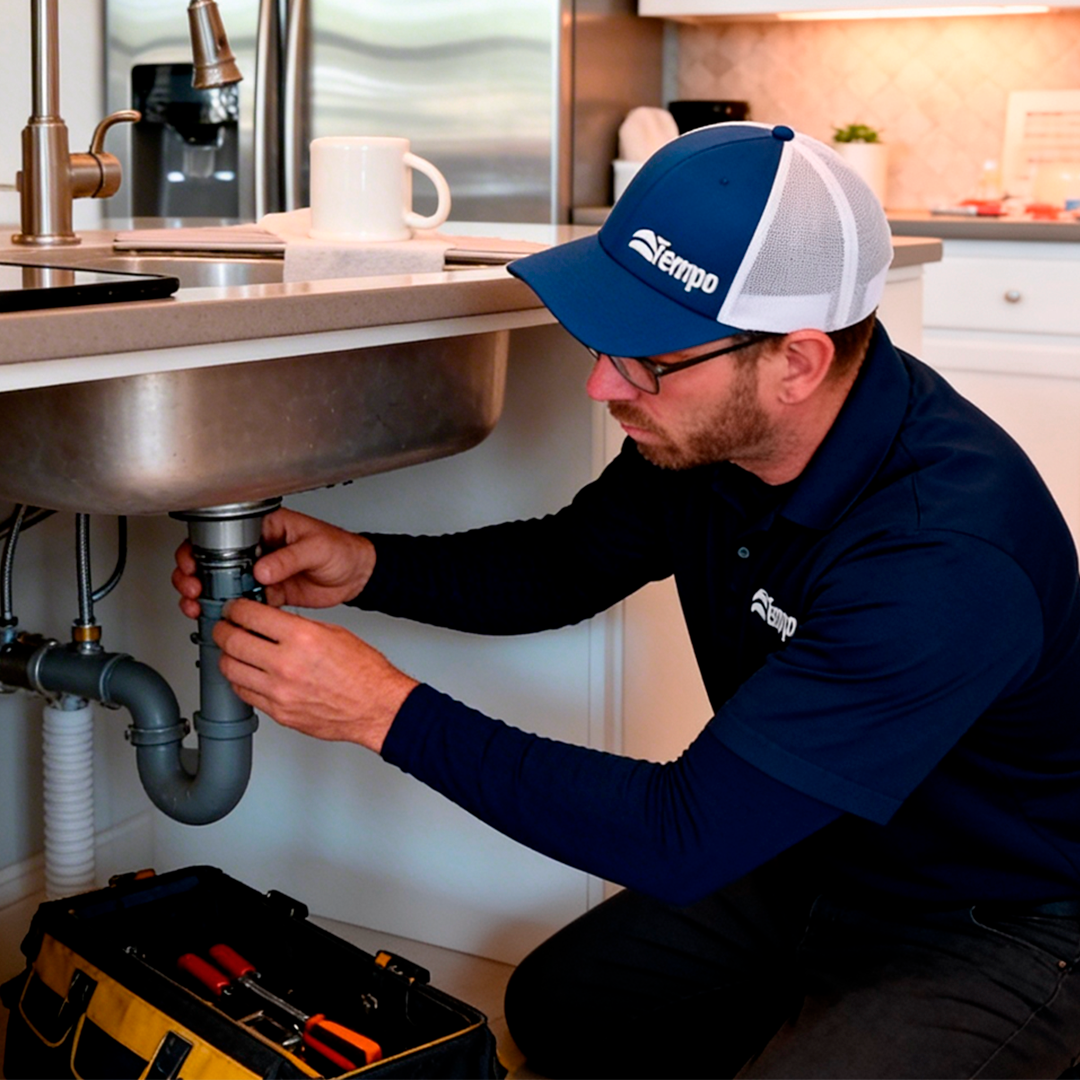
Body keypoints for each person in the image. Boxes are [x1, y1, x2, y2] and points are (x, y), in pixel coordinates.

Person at [173, 123, 1080, 1079]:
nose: (603, 383)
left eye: (647, 357)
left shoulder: (941, 556)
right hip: (816, 848)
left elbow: (680, 835)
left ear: (797, 363)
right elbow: (565, 564)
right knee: (559, 1012)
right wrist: (364, 565)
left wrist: (379, 712)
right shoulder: (713, 442)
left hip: (995, 917)